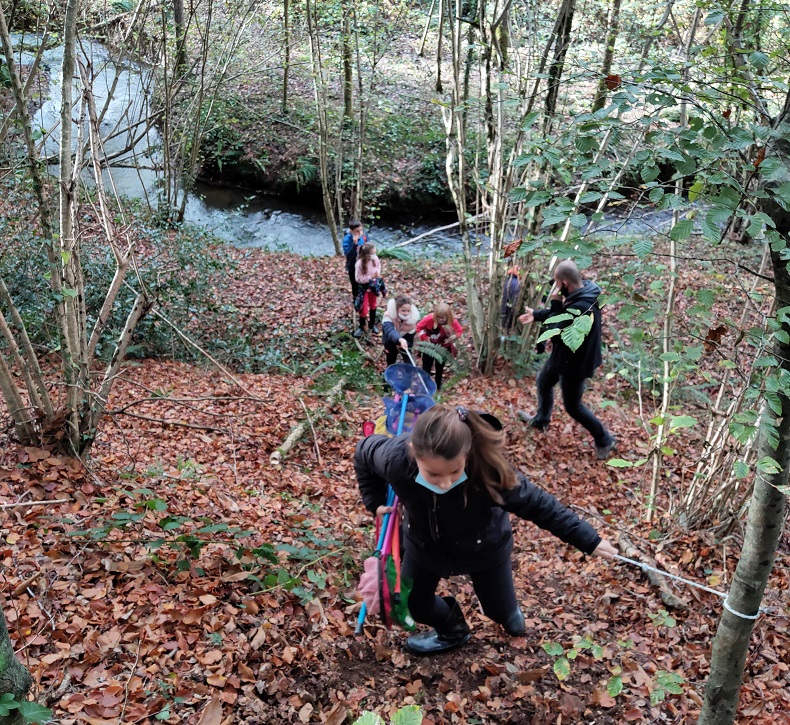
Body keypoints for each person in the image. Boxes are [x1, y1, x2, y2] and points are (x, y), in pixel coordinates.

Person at [355, 404, 617, 655]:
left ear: (467, 454)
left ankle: (509, 613)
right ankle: (453, 629)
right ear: (413, 451)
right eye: (433, 475)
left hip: (484, 548)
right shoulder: (395, 460)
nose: (445, 483)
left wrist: (589, 540)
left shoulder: (488, 473)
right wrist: (375, 502)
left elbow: (540, 505)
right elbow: (363, 453)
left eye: (455, 471)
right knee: (414, 603)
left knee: (501, 613)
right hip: (424, 546)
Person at [517, 259, 616, 459]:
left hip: (575, 363)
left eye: (556, 282)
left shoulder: (581, 305)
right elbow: (561, 315)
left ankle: (604, 439)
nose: (554, 287)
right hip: (563, 356)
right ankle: (541, 420)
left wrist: (554, 301)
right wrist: (536, 315)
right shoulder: (585, 291)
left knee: (573, 406)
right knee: (543, 382)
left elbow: (556, 325)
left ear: (564, 283)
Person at [416, 302, 463, 391]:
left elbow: (459, 331)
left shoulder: (452, 321)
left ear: (447, 316)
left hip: (443, 348)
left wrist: (453, 337)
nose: (440, 320)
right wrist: (424, 337)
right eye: (438, 317)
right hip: (429, 347)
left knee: (440, 367)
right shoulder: (429, 319)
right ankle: (425, 385)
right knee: (426, 366)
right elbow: (418, 328)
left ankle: (438, 385)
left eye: (443, 318)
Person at [382, 294, 419, 366]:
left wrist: (405, 344)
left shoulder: (411, 322)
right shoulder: (388, 317)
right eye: (403, 310)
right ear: (396, 309)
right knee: (391, 360)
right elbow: (389, 331)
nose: (406, 313)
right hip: (390, 343)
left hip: (405, 345)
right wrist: (399, 339)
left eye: (408, 311)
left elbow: (410, 340)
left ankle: (408, 374)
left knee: (409, 362)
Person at [354, 243, 382, 338]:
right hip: (364, 288)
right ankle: (362, 326)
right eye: (373, 253)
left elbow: (378, 266)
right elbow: (358, 278)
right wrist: (370, 277)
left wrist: (378, 272)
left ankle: (372, 324)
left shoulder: (375, 259)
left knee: (373, 305)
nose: (375, 255)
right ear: (367, 254)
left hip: (373, 286)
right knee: (364, 308)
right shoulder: (359, 264)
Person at [342, 220, 367, 302]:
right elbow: (348, 255)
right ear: (351, 231)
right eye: (357, 231)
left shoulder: (364, 236)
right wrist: (354, 244)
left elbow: (369, 246)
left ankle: (364, 298)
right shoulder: (347, 240)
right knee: (355, 284)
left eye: (361, 230)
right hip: (353, 265)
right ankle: (356, 299)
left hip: (364, 264)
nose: (360, 232)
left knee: (365, 282)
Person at [501, 266, 521, 332]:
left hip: (505, 309)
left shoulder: (508, 281)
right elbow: (515, 298)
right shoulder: (516, 283)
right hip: (510, 311)